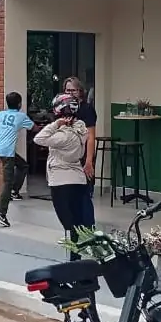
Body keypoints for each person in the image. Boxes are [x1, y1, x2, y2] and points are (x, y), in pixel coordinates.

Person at [32, 94, 92, 261]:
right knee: (78, 222)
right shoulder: (82, 128)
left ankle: (72, 262)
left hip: (61, 181)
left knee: (69, 225)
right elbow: (78, 125)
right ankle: (77, 259)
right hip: (78, 179)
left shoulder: (63, 136)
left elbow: (39, 138)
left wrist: (55, 125)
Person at [0, 91, 33, 227]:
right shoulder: (20, 116)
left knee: (23, 165)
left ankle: (14, 191)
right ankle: (0, 212)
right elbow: (33, 128)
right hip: (8, 152)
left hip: (0, 149)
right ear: (19, 104)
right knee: (7, 182)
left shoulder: (1, 114)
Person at [63, 77, 98, 228]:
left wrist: (89, 160)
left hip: (83, 155)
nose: (71, 94)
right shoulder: (63, 108)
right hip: (68, 156)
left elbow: (91, 136)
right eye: (68, 90)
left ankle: (89, 227)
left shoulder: (86, 108)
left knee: (84, 193)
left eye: (73, 90)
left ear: (80, 91)